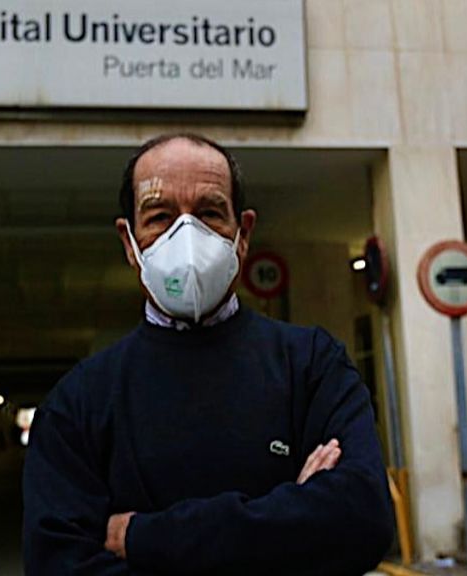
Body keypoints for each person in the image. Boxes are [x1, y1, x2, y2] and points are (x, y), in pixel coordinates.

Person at [22, 133, 394, 575]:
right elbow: (59, 565)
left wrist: (144, 536)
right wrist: (290, 523)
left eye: (210, 213)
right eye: (160, 216)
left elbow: (362, 519)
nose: (187, 236)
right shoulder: (78, 403)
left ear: (243, 234)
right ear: (129, 243)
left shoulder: (311, 364)